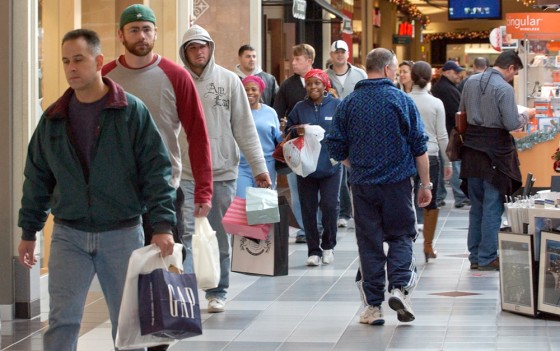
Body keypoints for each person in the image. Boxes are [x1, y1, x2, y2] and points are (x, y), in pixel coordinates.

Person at [17, 29, 176, 351]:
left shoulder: (131, 112)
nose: (71, 68)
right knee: (62, 320)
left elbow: (156, 170)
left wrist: (162, 225)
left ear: (99, 61)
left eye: (79, 59)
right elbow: (37, 177)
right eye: (65, 61)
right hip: (68, 234)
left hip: (121, 232)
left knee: (128, 323)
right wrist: (29, 231)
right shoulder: (53, 118)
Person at [326, 48, 431, 325]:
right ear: (387, 70)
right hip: (397, 184)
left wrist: (356, 164)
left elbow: (335, 147)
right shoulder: (401, 100)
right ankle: (399, 288)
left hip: (362, 186)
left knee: (369, 243)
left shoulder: (348, 104)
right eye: (395, 68)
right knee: (401, 236)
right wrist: (426, 185)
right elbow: (420, 147)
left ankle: (373, 308)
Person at [102, 4, 213, 262]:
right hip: (117, 193)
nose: (141, 36)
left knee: (167, 265)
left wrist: (204, 190)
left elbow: (197, 134)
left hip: (163, 189)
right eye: (134, 30)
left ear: (155, 33)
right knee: (122, 268)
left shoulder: (176, 76)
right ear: (121, 35)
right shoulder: (105, 77)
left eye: (146, 30)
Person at [178, 24, 271, 313]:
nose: (198, 51)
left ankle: (218, 290)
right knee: (186, 234)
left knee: (219, 235)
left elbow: (244, 127)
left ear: (211, 48)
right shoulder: (177, 80)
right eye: (192, 47)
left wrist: (259, 168)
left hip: (222, 172)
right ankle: (188, 290)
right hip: (185, 173)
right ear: (185, 52)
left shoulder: (229, 81)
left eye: (203, 45)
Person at [459, 50, 535, 271]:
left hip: (471, 151)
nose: (513, 77)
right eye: (515, 72)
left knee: (477, 206)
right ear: (510, 68)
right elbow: (512, 123)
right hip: (495, 154)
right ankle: (487, 257)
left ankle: (475, 255)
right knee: (493, 206)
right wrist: (527, 115)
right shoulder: (504, 88)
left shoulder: (470, 82)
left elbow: (462, 112)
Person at [286, 69, 342, 266]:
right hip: (306, 168)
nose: (313, 87)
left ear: (325, 85)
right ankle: (313, 251)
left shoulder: (336, 105)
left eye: (317, 83)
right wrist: (296, 131)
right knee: (308, 209)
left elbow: (345, 130)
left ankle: (328, 246)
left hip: (331, 166)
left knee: (329, 206)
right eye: (309, 84)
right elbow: (287, 131)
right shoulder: (299, 108)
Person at [409, 61, 452, 262]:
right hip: (431, 155)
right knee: (430, 201)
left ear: (412, 76)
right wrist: (448, 162)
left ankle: (405, 242)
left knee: (405, 199)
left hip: (407, 156)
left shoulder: (404, 100)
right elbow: (442, 135)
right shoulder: (436, 103)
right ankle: (428, 245)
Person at [273, 43, 316, 243]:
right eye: (293, 58)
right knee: (297, 189)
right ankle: (303, 229)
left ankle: (320, 225)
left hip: (319, 144)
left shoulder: (322, 81)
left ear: (309, 61)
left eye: (298, 59)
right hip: (295, 144)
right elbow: (277, 112)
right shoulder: (287, 86)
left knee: (320, 189)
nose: (293, 62)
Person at [325, 40, 367, 229]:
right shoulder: (324, 76)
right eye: (336, 52)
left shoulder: (360, 75)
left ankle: (361, 209)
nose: (340, 55)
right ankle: (344, 212)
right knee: (339, 172)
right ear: (331, 55)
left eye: (343, 52)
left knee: (357, 171)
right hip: (334, 130)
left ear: (348, 53)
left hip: (357, 130)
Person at [431, 60, 469, 209]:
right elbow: (455, 112)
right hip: (450, 132)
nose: (458, 75)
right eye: (455, 72)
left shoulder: (444, 87)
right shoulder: (447, 89)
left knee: (447, 165)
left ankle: (441, 195)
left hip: (446, 131)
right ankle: (459, 196)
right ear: (446, 72)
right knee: (454, 165)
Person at [237, 75, 283, 197]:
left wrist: (285, 132)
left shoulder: (270, 112)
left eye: (253, 89)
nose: (249, 92)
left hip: (266, 166)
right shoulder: (236, 112)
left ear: (260, 92)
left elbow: (279, 139)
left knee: (262, 211)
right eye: (246, 89)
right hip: (241, 166)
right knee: (241, 204)